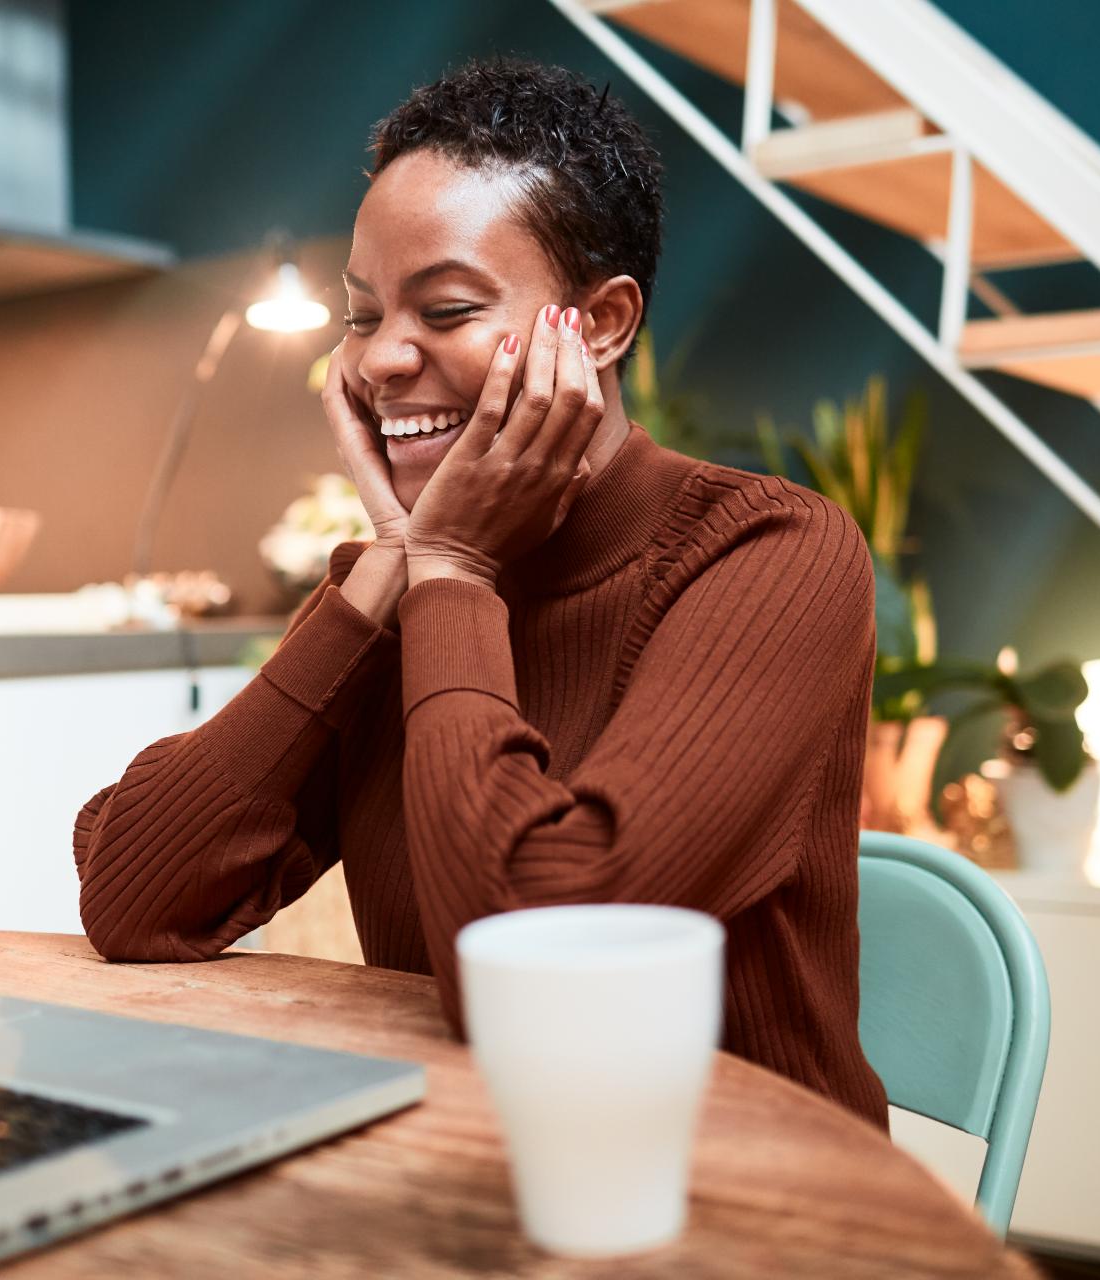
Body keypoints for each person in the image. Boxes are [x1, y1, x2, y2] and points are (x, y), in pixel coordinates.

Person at [73, 58, 888, 1128]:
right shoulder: (400, 586)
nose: (382, 361)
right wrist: (385, 578)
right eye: (362, 316)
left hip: (744, 1197)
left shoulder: (769, 555)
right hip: (474, 1161)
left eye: (446, 308)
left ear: (599, 324)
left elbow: (536, 960)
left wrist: (454, 573)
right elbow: (136, 896)